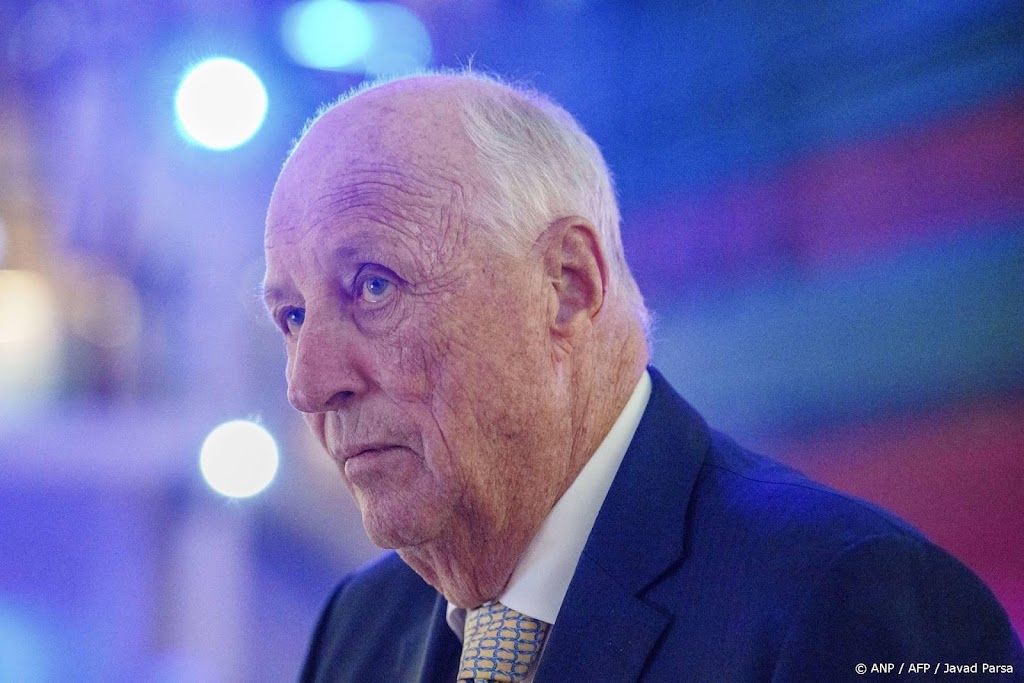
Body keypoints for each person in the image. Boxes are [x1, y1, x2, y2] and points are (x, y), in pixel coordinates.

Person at [262, 70, 1023, 682]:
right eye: (292, 315)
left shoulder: (858, 601)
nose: (307, 383)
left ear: (567, 285)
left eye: (373, 286)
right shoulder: (357, 629)